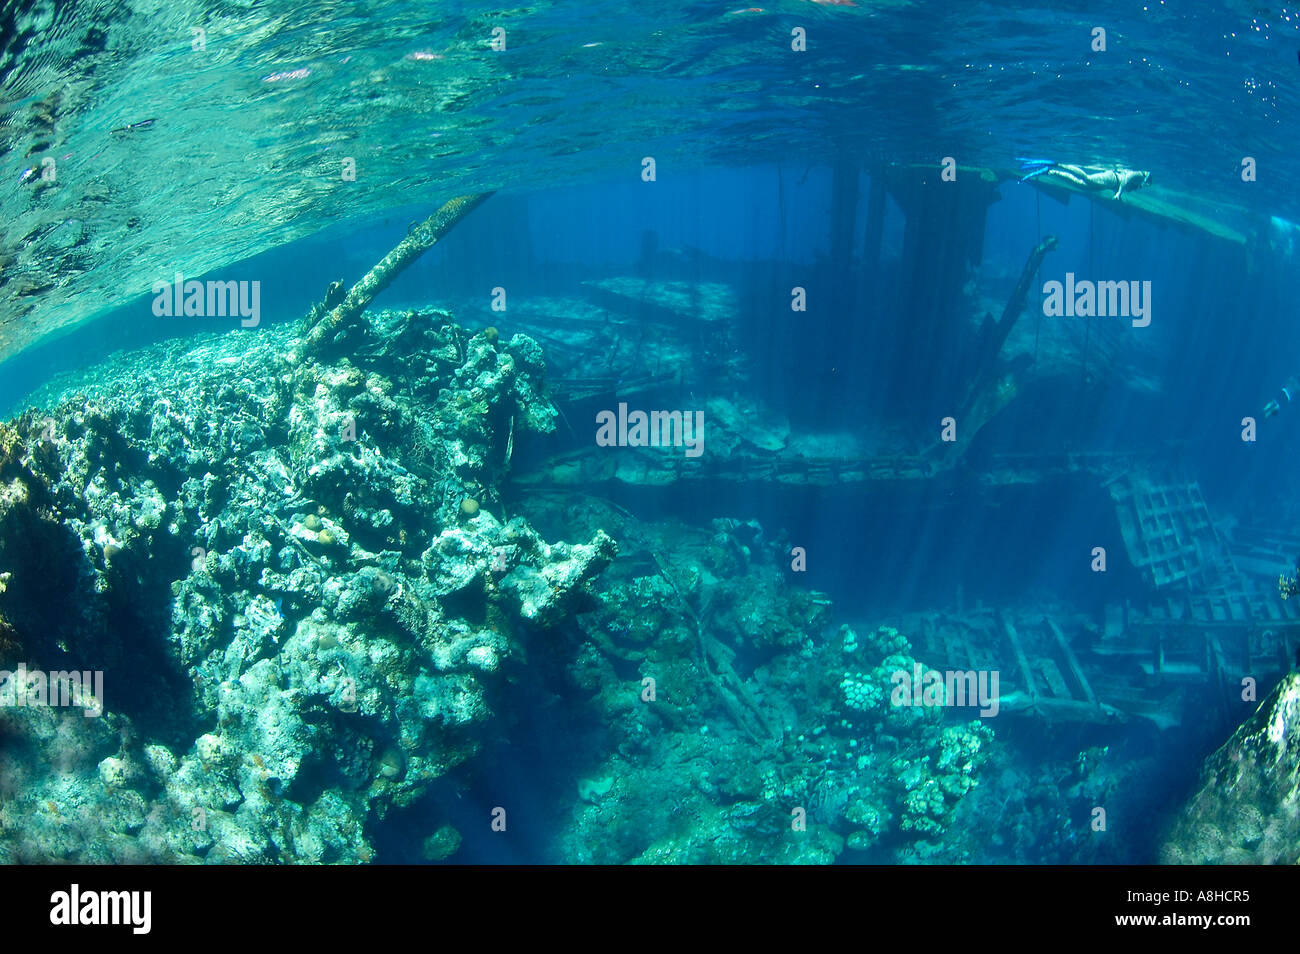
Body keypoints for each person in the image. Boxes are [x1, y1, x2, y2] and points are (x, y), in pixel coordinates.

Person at [1017, 159, 1151, 199]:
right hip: (1112, 179)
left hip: (1108, 185)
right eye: (1147, 185)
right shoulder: (1140, 174)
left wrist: (1118, 194)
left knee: (1082, 185)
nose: (1145, 187)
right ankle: (1059, 164)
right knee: (1087, 179)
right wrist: (1119, 193)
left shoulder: (1138, 184)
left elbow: (1126, 185)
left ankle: (1051, 171)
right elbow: (1126, 178)